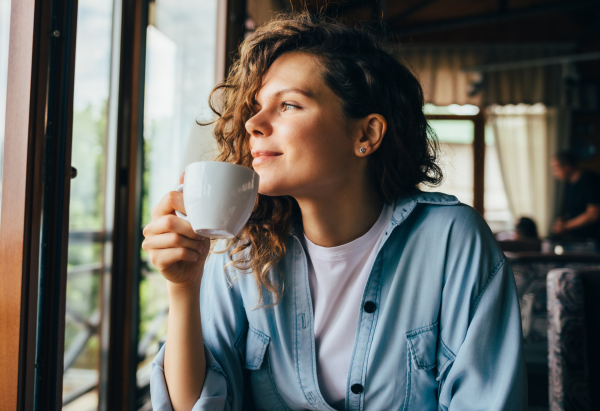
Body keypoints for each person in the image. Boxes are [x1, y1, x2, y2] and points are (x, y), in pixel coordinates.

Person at [143, 12, 526, 411]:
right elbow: (195, 406)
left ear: (366, 134)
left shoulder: (452, 241)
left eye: (288, 105)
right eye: (256, 107)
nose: (253, 123)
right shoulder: (243, 249)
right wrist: (183, 288)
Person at [551, 149, 600, 243]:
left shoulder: (589, 180)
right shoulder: (570, 184)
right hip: (577, 239)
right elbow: (578, 210)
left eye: (556, 168)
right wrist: (563, 220)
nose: (555, 173)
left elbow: (594, 213)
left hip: (592, 241)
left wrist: (566, 226)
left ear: (567, 167)